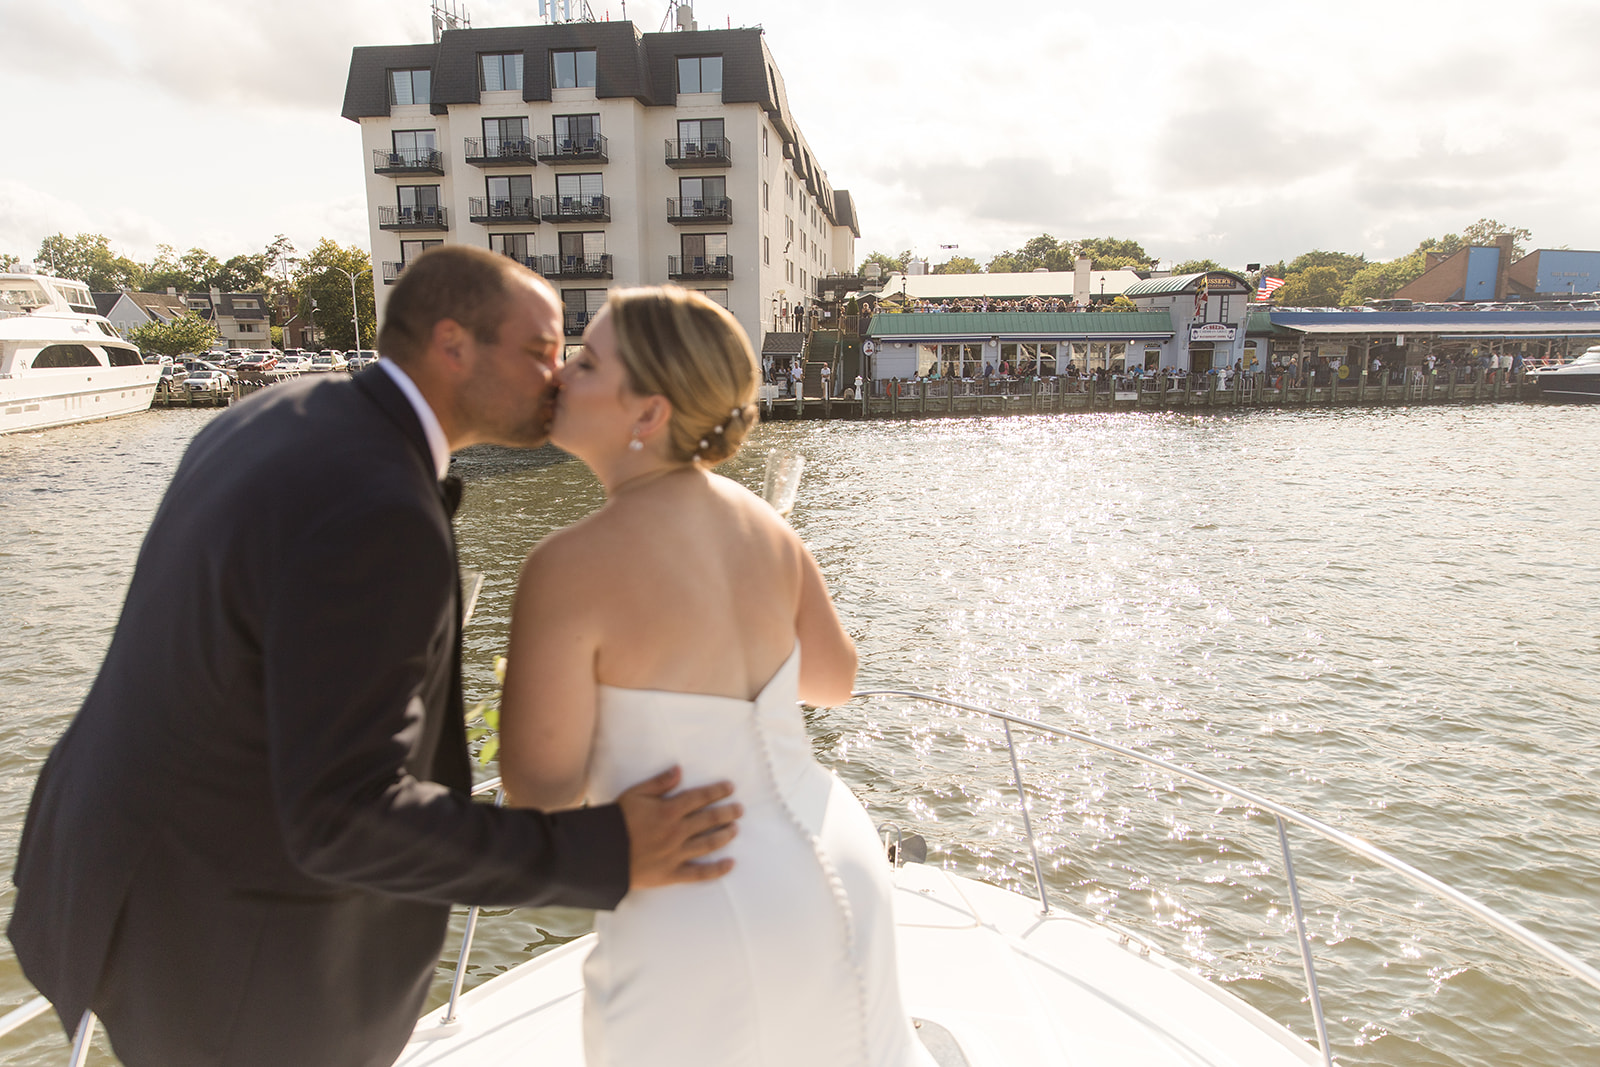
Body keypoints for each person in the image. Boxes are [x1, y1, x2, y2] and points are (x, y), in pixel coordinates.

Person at [7, 248, 741, 1067]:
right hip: (233, 956)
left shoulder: (280, 414)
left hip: (119, 877)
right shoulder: (378, 509)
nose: (558, 377)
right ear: (452, 343)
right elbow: (344, 815)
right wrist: (608, 849)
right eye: (540, 351)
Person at [500, 286, 935, 1067]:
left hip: (696, 885)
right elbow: (835, 679)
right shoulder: (766, 527)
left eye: (588, 360)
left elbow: (538, 794)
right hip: (839, 855)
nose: (561, 372)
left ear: (650, 413)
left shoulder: (565, 567)